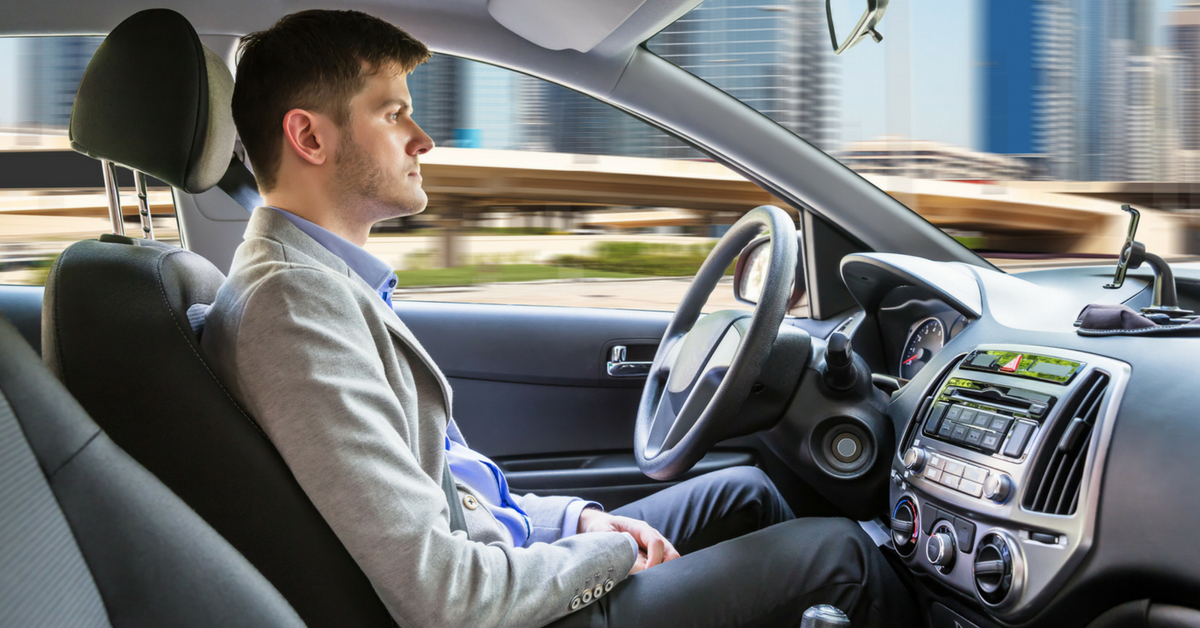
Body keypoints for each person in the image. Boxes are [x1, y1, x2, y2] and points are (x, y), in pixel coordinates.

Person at [203, 9, 917, 628]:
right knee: (844, 557)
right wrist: (610, 552)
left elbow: (451, 491)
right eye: (393, 114)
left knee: (747, 493)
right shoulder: (294, 308)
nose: (422, 139)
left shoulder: (323, 282)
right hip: (508, 612)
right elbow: (443, 597)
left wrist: (576, 522)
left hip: (507, 562)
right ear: (310, 136)